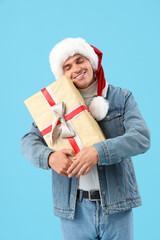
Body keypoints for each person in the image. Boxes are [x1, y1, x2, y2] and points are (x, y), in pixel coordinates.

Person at [21, 38, 150, 240]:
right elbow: (28, 141)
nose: (76, 69)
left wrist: (99, 151)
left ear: (91, 62)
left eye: (80, 60)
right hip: (74, 210)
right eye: (68, 66)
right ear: (62, 74)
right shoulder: (55, 105)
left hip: (117, 206)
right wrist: (49, 157)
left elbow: (141, 138)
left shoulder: (121, 97)